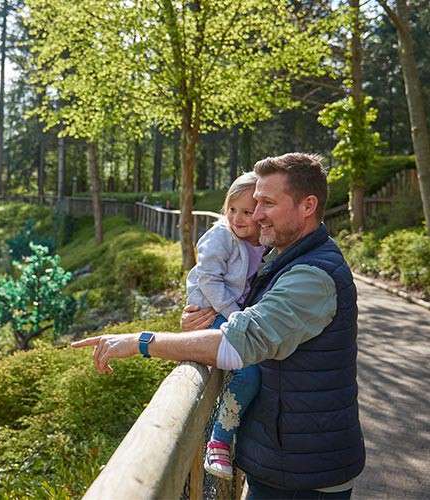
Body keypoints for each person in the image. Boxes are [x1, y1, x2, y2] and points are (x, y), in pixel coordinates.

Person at [72, 153, 364, 499]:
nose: (256, 215)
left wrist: (142, 341)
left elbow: (238, 343)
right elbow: (246, 316)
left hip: (304, 476)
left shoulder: (311, 276)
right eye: (254, 203)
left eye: (267, 203)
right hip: (285, 460)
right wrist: (203, 316)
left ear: (307, 206)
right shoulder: (287, 258)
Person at [184, 172, 267, 479]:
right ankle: (218, 440)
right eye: (232, 209)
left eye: (247, 212)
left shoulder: (262, 243)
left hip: (233, 313)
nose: (238, 218)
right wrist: (235, 315)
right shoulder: (222, 236)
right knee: (248, 370)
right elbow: (208, 278)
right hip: (212, 309)